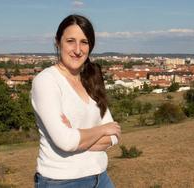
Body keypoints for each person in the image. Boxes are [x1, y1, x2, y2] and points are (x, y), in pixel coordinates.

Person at [31, 14, 121, 188]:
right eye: (71, 41)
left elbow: (114, 136)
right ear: (58, 42)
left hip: (101, 178)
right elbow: (66, 141)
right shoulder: (46, 81)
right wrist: (102, 129)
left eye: (84, 42)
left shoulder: (91, 79)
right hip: (62, 181)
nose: (78, 49)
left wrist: (77, 137)